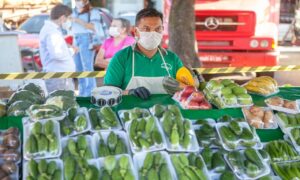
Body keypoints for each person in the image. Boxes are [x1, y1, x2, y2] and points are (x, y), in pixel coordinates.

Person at [104, 8, 184, 99]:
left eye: (158, 29)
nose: (153, 33)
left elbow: (185, 90)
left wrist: (194, 82)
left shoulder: (172, 59)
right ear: (136, 32)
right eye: (146, 29)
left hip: (167, 112)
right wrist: (130, 92)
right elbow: (108, 92)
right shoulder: (121, 58)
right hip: (130, 112)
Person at [39, 4, 75, 93]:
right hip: (59, 78)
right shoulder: (52, 32)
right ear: (63, 17)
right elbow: (57, 54)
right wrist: (71, 51)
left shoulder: (52, 30)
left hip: (60, 77)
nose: (69, 21)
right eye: (69, 18)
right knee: (61, 104)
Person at [71, 0, 102, 96]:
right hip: (76, 40)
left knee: (87, 68)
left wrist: (76, 20)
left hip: (86, 39)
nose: (77, 2)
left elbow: (93, 27)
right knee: (78, 68)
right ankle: (82, 92)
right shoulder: (74, 11)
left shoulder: (93, 11)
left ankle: (90, 93)